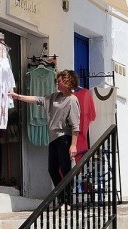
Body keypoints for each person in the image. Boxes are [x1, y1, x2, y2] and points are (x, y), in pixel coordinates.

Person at [11, 69, 80, 197]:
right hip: (53, 138)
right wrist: (18, 97)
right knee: (52, 169)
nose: (57, 83)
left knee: (66, 170)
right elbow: (38, 100)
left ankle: (67, 200)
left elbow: (76, 126)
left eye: (59, 81)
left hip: (64, 138)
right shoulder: (54, 96)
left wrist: (73, 145)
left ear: (67, 81)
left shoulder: (72, 100)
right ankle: (62, 198)